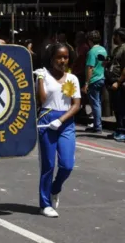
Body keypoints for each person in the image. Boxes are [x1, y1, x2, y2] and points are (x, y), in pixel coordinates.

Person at [35, 42, 80, 218]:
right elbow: (42, 100)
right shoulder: (43, 75)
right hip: (46, 121)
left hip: (66, 122)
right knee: (48, 165)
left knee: (67, 165)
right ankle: (44, 204)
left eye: (66, 57)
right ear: (51, 58)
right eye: (59, 57)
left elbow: (76, 105)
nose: (62, 60)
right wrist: (39, 79)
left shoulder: (72, 78)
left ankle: (55, 188)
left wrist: (61, 120)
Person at [82, 31, 107, 134]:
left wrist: (86, 83)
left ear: (89, 40)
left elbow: (90, 68)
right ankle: (97, 125)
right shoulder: (103, 49)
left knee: (95, 104)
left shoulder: (92, 52)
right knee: (98, 103)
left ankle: (97, 127)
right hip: (101, 78)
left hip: (94, 80)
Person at [106, 28, 125, 141]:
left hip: (119, 83)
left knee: (121, 108)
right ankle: (118, 129)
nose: (113, 38)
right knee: (116, 108)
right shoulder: (117, 49)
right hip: (112, 81)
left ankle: (122, 131)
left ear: (119, 36)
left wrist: (118, 82)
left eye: (115, 36)